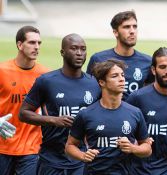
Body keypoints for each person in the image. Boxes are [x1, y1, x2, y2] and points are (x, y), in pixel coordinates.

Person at [19, 33, 101, 175]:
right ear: (62, 52)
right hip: (51, 159)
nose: (79, 53)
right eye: (74, 48)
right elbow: (24, 113)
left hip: (81, 159)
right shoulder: (46, 81)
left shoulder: (94, 83)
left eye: (83, 49)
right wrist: (53, 120)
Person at [65, 59, 152, 174]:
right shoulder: (86, 114)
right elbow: (69, 146)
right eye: (115, 76)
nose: (122, 79)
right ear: (102, 82)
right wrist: (83, 155)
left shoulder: (135, 112)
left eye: (122, 75)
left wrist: (132, 148)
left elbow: (147, 149)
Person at [126, 47, 167, 174]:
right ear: (153, 69)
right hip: (140, 169)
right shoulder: (137, 98)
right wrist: (135, 145)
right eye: (162, 67)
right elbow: (124, 129)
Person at [0, 26, 48, 175]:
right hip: (2, 144)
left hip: (31, 147)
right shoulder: (2, 71)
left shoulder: (45, 75)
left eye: (39, 43)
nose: (37, 47)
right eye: (32, 42)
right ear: (20, 45)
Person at [86, 10, 153, 100]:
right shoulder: (98, 59)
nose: (132, 31)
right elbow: (88, 89)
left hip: (136, 114)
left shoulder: (148, 61)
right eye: (126, 27)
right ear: (115, 32)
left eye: (135, 26)